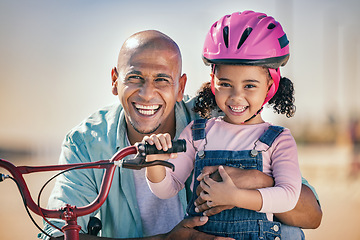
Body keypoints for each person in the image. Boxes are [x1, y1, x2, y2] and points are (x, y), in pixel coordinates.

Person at [40, 29, 321, 240]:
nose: (147, 94)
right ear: (115, 81)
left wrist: (255, 180)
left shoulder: (216, 123)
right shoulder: (86, 143)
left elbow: (310, 213)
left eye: (162, 79)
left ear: (180, 86)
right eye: (134, 78)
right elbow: (54, 235)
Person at [142, 11, 316, 240]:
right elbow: (167, 189)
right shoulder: (197, 134)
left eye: (250, 86)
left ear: (270, 85)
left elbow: (288, 196)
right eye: (225, 84)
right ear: (213, 81)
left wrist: (234, 197)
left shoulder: (278, 139)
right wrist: (154, 163)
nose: (236, 97)